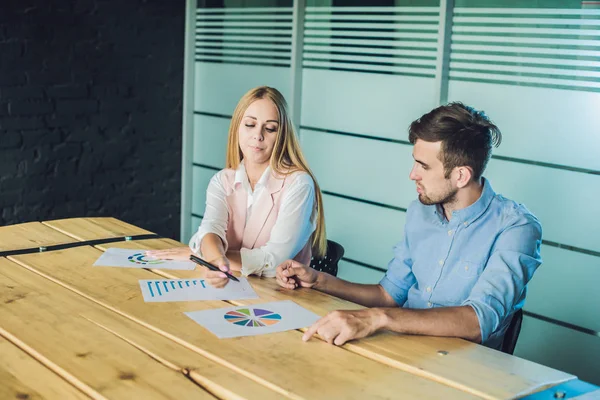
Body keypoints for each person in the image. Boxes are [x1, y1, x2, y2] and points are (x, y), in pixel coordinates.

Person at [276, 102, 542, 350]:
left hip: (462, 368)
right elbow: (387, 295)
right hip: (399, 349)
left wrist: (378, 319)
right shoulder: (420, 211)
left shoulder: (516, 227)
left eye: (423, 166)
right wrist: (319, 279)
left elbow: (478, 321)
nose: (412, 174)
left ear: (461, 175)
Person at [148, 86, 326, 288]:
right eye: (250, 125)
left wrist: (202, 254)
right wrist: (214, 259)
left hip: (282, 298)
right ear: (237, 128)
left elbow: (273, 261)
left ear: (282, 135)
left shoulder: (299, 184)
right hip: (232, 288)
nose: (258, 135)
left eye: (270, 129)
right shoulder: (222, 180)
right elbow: (210, 230)